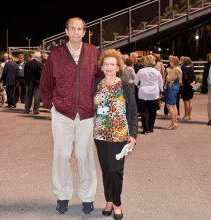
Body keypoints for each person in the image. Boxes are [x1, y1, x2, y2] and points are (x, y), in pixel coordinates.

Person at [40, 17, 104, 215]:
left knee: (85, 156)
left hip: (86, 113)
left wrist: (99, 105)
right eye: (72, 29)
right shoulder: (57, 54)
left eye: (79, 29)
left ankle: (87, 197)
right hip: (62, 113)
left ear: (84, 32)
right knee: (61, 155)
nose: (76, 32)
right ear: (66, 31)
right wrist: (50, 104)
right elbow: (45, 82)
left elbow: (101, 79)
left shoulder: (94, 52)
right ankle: (63, 196)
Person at [93, 49, 137, 220]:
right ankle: (108, 200)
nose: (109, 67)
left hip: (119, 135)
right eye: (106, 64)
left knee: (115, 170)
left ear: (118, 67)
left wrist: (133, 135)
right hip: (100, 134)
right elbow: (93, 108)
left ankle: (117, 203)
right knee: (105, 170)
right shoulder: (96, 84)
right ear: (101, 67)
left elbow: (133, 111)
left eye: (112, 64)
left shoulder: (125, 86)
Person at [134, 55, 163, 134]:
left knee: (144, 112)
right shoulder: (157, 72)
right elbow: (161, 84)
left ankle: (145, 129)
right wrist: (161, 92)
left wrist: (139, 86)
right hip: (154, 93)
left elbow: (135, 82)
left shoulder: (141, 71)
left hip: (143, 93)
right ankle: (151, 128)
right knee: (153, 111)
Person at [165, 56, 182, 130]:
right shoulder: (178, 68)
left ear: (173, 62)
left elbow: (168, 78)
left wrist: (168, 73)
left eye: (171, 61)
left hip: (172, 88)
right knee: (174, 106)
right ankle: (175, 123)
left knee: (169, 106)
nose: (169, 63)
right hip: (175, 88)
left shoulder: (175, 69)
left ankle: (173, 123)